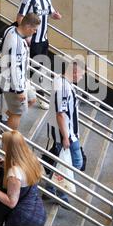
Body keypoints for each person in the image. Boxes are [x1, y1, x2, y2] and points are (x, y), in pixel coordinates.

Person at [0, 130, 46, 226]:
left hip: (22, 218)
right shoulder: (31, 159)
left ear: (8, 147)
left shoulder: (14, 174)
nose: (2, 145)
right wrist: (4, 163)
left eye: (3, 143)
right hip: (36, 209)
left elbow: (11, 202)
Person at [16, 0, 62, 110]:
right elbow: (20, 17)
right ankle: (37, 97)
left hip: (44, 40)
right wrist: (25, 36)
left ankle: (31, 94)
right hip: (32, 40)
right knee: (34, 70)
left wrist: (56, 16)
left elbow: (51, 13)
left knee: (41, 69)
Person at [43, 58, 85, 204]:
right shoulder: (63, 87)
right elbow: (60, 113)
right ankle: (60, 193)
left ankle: (50, 188)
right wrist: (66, 137)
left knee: (63, 161)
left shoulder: (62, 82)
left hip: (66, 131)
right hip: (65, 133)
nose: (81, 77)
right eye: (81, 74)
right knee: (76, 162)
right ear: (74, 72)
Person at [0, 13, 40, 131]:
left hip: (21, 80)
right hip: (13, 84)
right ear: (27, 27)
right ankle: (10, 141)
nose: (35, 32)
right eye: (34, 29)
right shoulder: (16, 44)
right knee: (17, 113)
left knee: (31, 100)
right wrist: (19, 90)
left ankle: (4, 118)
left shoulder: (11, 29)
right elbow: (14, 69)